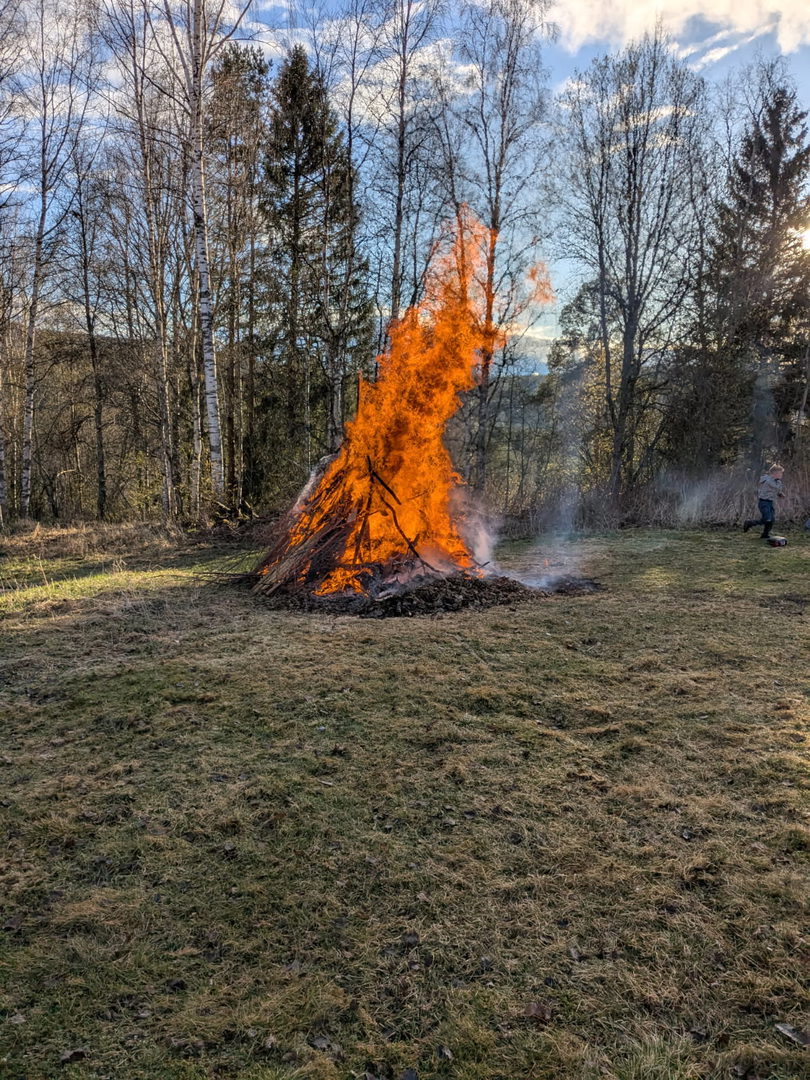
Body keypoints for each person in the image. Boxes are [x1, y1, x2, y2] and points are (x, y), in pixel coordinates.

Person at [743, 464, 784, 538]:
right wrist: (779, 485)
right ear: (774, 473)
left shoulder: (777, 481)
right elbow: (775, 486)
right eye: (780, 473)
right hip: (764, 502)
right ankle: (749, 523)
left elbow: (775, 490)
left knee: (771, 520)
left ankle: (765, 534)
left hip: (770, 502)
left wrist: (780, 494)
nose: (781, 475)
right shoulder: (768, 480)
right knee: (767, 519)